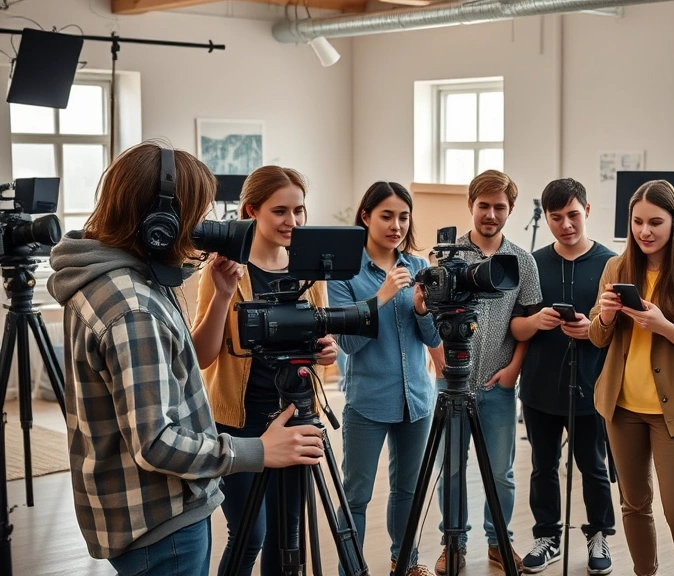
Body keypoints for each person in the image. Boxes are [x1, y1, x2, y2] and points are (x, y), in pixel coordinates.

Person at [46, 142, 324, 575]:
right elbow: (156, 441)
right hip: (160, 520)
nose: (201, 231)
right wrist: (257, 451)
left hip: (148, 511)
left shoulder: (122, 280)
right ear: (160, 222)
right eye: (195, 216)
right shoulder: (133, 306)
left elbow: (178, 366)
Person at [189, 165, 340, 575]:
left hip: (295, 415)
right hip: (239, 421)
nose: (292, 221)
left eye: (299, 210)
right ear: (252, 211)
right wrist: (222, 296)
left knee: (288, 533)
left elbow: (319, 336)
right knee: (249, 534)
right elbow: (202, 355)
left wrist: (326, 351)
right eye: (280, 211)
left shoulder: (310, 268)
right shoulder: (222, 270)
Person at [588, 179, 674, 576]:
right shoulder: (616, 266)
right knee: (633, 504)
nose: (645, 231)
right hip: (621, 406)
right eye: (637, 222)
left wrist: (664, 325)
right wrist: (608, 316)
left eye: (655, 222)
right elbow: (598, 338)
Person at [434, 169, 542, 576]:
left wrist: (514, 367)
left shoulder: (523, 262)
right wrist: (435, 358)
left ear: (511, 210)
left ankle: (499, 544)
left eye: (500, 207)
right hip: (451, 382)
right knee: (453, 470)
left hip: (498, 384)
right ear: (470, 205)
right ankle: (453, 546)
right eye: (484, 206)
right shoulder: (446, 255)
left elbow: (528, 321)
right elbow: (426, 314)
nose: (491, 214)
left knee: (501, 472)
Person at [328, 181, 439, 576]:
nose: (397, 225)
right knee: (355, 495)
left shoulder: (420, 268)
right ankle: (350, 569)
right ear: (366, 217)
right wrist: (381, 297)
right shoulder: (345, 273)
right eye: (387, 216)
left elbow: (432, 339)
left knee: (408, 491)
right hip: (368, 400)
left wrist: (425, 311)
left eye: (404, 217)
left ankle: (405, 561)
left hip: (418, 400)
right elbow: (347, 343)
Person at [512, 178, 616, 574]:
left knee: (594, 465)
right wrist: (536, 321)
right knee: (542, 466)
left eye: (573, 215)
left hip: (593, 385)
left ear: (587, 211)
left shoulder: (611, 263)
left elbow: (621, 331)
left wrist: (592, 331)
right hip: (539, 386)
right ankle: (547, 536)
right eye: (556, 218)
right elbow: (515, 328)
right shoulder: (532, 263)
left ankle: (599, 535)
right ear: (546, 218)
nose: (566, 224)